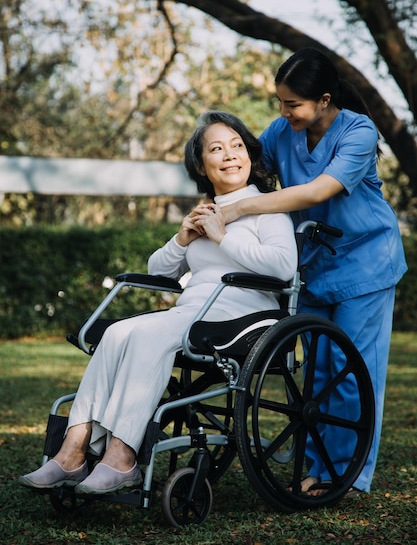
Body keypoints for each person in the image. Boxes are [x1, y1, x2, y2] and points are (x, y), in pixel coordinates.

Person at [18, 110, 297, 495]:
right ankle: (72, 451)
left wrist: (222, 237)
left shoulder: (267, 205)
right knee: (117, 332)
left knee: (152, 334)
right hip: (195, 310)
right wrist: (182, 239)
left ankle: (122, 457)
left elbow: (284, 267)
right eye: (217, 149)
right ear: (201, 164)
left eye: (237, 146)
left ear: (250, 154)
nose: (231, 155)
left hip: (244, 313)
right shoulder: (205, 210)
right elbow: (159, 270)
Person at [219, 48, 407, 496]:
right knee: (318, 373)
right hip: (315, 263)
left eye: (293, 104)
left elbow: (317, 190)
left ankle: (343, 475)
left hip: (367, 261)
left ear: (324, 100)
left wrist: (239, 208)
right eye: (280, 103)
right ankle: (319, 468)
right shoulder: (283, 131)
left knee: (349, 367)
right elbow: (250, 166)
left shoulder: (358, 131)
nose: (284, 113)